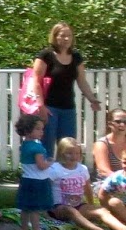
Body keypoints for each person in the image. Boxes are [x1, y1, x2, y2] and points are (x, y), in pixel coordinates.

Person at [29, 23, 102, 157]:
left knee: (67, 145)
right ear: (55, 37)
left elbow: (82, 81)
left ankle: (66, 176)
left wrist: (92, 99)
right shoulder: (45, 56)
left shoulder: (76, 57)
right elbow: (36, 81)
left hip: (68, 107)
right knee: (47, 145)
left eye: (69, 36)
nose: (66, 39)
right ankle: (46, 176)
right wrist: (41, 106)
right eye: (62, 36)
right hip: (49, 107)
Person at [49, 137, 126, 230]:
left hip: (78, 205)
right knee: (70, 210)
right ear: (61, 153)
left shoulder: (82, 169)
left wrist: (91, 205)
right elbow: (45, 189)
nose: (73, 156)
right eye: (69, 153)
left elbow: (87, 189)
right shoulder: (54, 169)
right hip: (58, 207)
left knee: (101, 210)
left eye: (76, 153)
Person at [15, 113, 54, 230]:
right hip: (38, 181)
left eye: (42, 129)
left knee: (26, 208)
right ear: (27, 130)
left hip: (26, 179)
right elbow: (41, 166)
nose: (41, 132)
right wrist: (50, 162)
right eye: (38, 129)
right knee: (35, 209)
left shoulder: (25, 145)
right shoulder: (37, 148)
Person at [92, 109, 126, 226]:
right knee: (115, 202)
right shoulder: (102, 144)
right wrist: (122, 181)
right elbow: (103, 170)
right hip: (107, 185)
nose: (122, 124)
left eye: (125, 121)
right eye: (118, 121)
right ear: (110, 124)